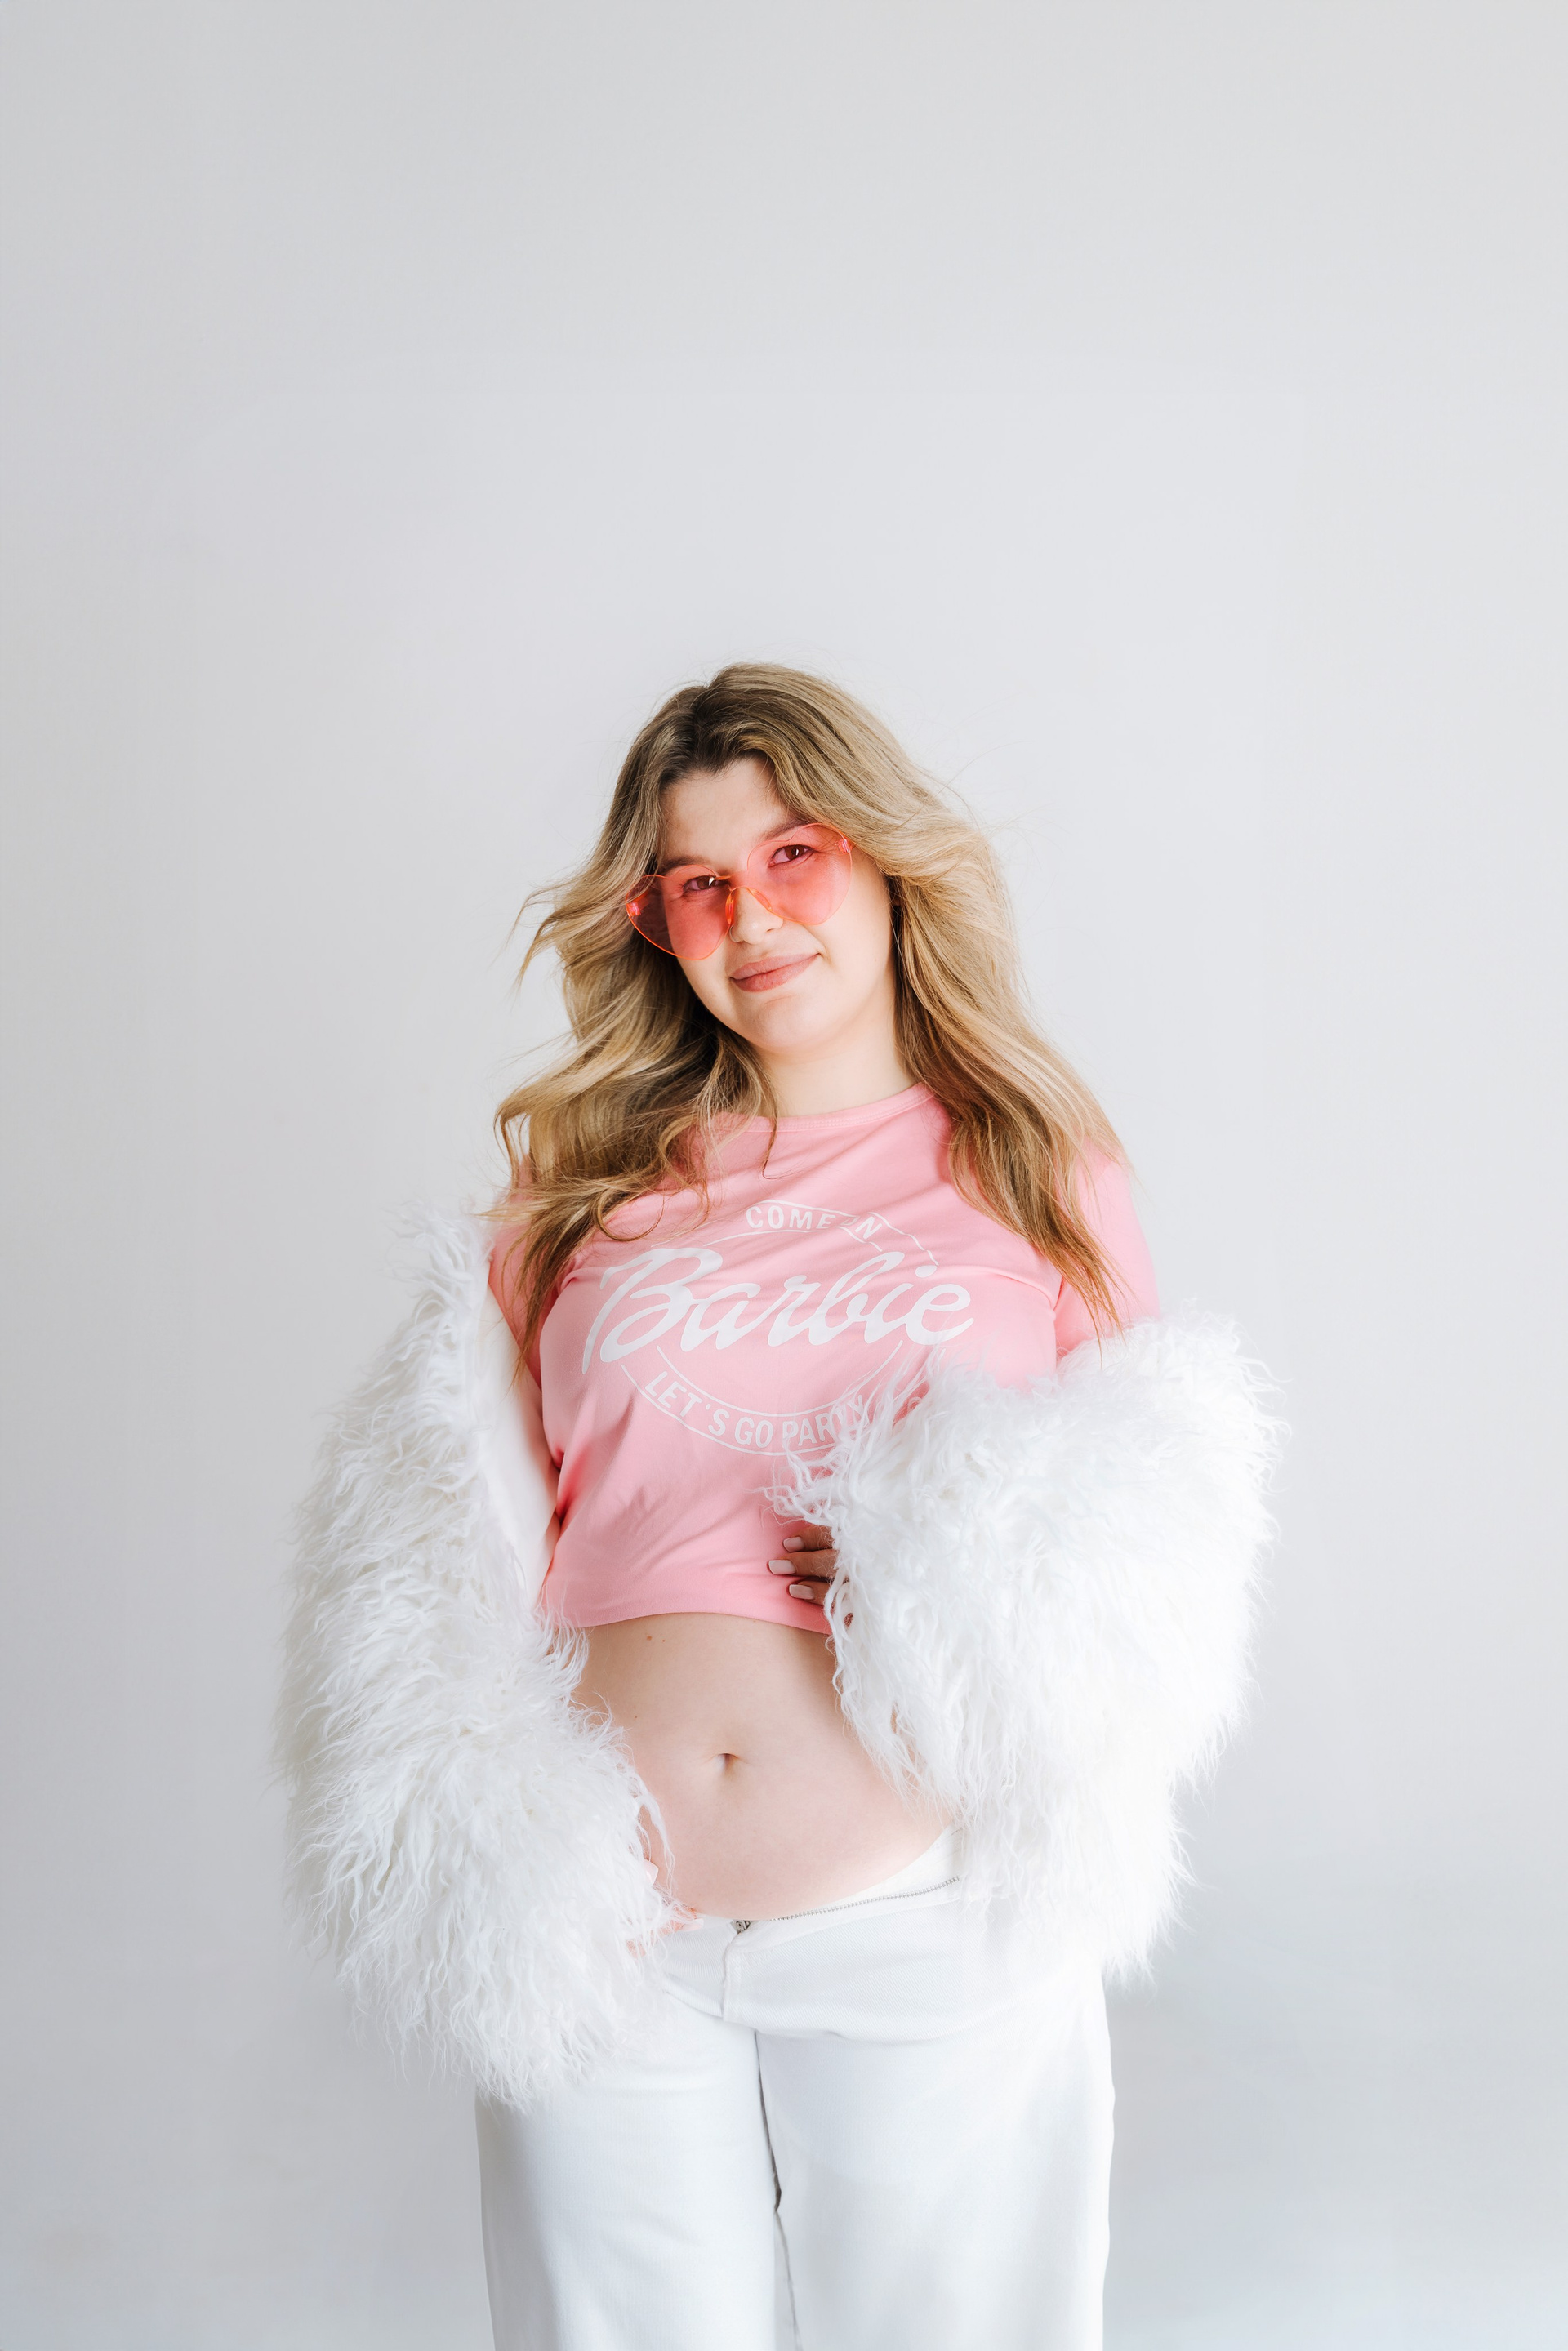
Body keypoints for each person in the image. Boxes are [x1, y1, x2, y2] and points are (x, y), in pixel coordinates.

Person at [278, 666, 1278, 2351]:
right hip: (604, 1938)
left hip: (929, 1918)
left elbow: (1150, 1548)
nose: (750, 918)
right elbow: (454, 1528)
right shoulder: (582, 1191)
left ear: (884, 859)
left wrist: (949, 1576)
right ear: (654, 922)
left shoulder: (1035, 1168)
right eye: (697, 883)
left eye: (792, 854)